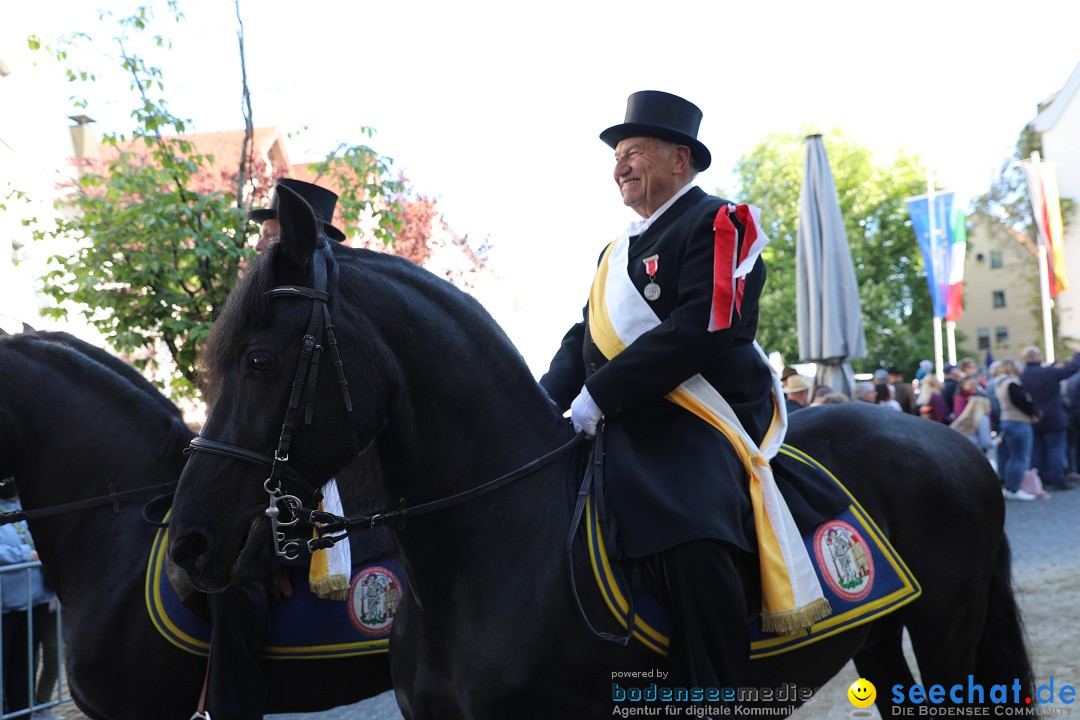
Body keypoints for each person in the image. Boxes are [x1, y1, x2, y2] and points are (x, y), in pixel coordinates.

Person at [540, 91, 827, 692]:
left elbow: (705, 325)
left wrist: (601, 395)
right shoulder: (614, 251)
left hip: (703, 417)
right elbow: (583, 337)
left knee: (694, 533)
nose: (619, 166)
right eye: (617, 155)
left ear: (679, 159)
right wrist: (541, 403)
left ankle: (718, 690)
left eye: (633, 152)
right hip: (626, 417)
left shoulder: (722, 221)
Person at [201, 178, 351, 720]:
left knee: (235, 584)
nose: (262, 248)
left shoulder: (331, 314)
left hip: (326, 490)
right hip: (270, 478)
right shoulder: (261, 311)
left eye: (273, 237)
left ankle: (235, 708)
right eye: (262, 237)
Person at [0, 479, 61, 720]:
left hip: (35, 600)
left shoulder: (25, 503)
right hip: (5, 605)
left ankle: (22, 715)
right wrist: (28, 555)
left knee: (24, 667)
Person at [1019, 345, 1080, 491]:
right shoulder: (1047, 372)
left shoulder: (1022, 375)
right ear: (1034, 357)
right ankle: (1057, 478)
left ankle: (1040, 477)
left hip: (1033, 416)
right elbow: (1071, 369)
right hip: (1054, 416)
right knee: (1056, 448)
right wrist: (1077, 354)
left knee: (1037, 449)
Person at [995, 360, 1038, 501]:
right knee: (1020, 457)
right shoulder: (1012, 383)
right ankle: (1014, 489)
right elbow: (1022, 401)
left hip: (1007, 420)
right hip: (1018, 421)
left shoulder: (1000, 383)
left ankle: (1010, 487)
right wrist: (1033, 413)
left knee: (1013, 457)